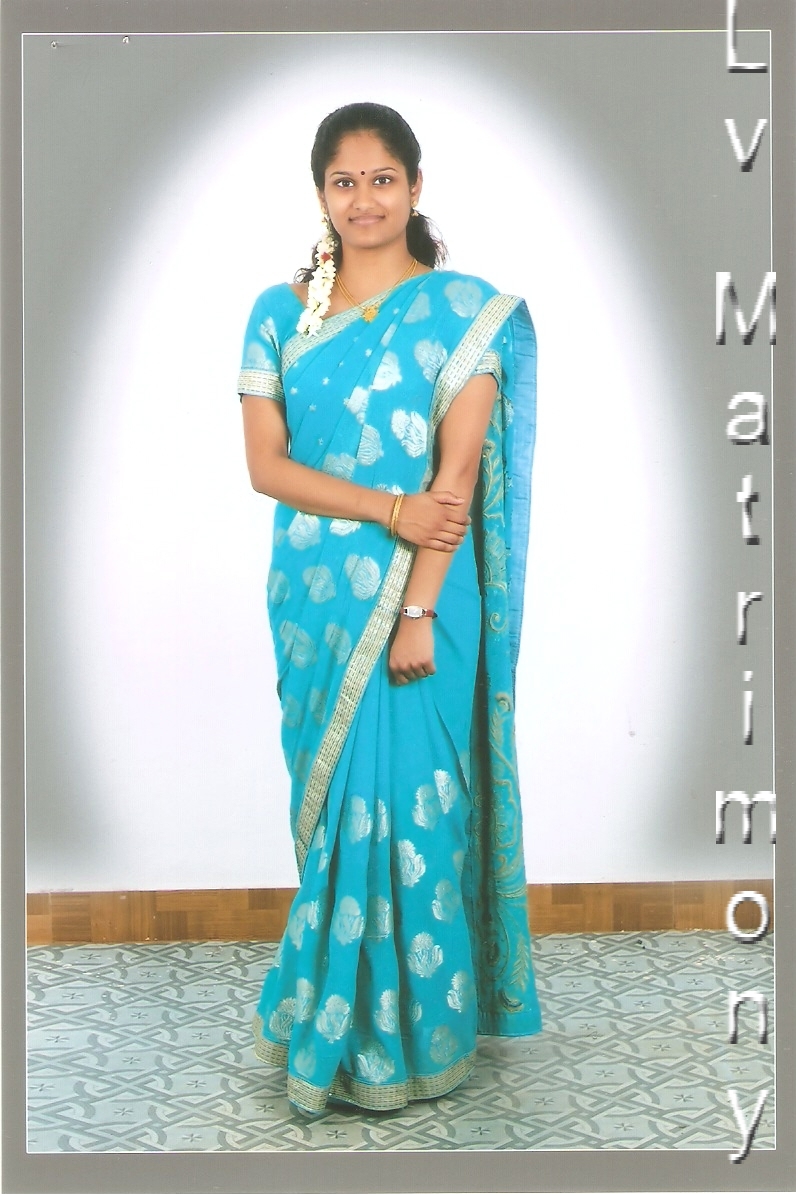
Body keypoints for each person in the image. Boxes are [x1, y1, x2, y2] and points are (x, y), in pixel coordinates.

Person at [237, 102, 541, 1116]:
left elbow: (455, 481)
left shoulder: (463, 312)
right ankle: (336, 1029)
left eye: (381, 179)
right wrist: (387, 508)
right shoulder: (279, 314)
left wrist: (416, 608)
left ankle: (421, 1038)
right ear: (320, 194)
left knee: (415, 813)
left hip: (422, 604)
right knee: (336, 823)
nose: (363, 199)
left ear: (415, 187)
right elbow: (266, 467)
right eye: (344, 181)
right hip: (313, 604)